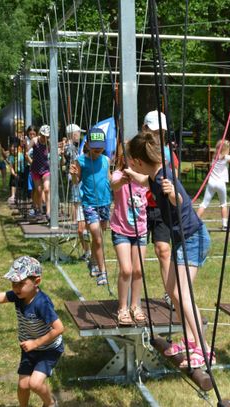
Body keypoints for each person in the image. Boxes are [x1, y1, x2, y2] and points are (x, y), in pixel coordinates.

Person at [125, 131, 213, 368]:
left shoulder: (165, 177)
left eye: (133, 162)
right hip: (183, 240)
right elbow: (145, 181)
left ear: (141, 161)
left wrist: (174, 194)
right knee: (172, 290)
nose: (133, 165)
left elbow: (178, 199)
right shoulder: (154, 175)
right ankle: (190, 338)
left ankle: (204, 349)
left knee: (184, 295)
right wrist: (129, 174)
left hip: (193, 238)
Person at [0, 256, 63, 407]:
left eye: (21, 283)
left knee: (35, 384)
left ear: (36, 282)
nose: (16, 288)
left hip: (48, 349)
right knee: (23, 385)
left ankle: (50, 403)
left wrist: (36, 343)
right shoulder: (19, 295)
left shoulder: (42, 303)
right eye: (13, 283)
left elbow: (59, 328)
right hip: (29, 348)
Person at [142, 110, 179, 307]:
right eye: (154, 131)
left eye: (161, 131)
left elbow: (175, 181)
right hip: (138, 208)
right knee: (136, 254)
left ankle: (170, 292)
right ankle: (132, 299)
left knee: (163, 250)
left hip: (160, 207)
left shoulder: (168, 154)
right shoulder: (137, 150)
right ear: (145, 129)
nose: (157, 135)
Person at [110, 145, 148, 325]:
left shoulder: (143, 177)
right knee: (126, 270)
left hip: (140, 230)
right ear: (123, 159)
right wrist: (125, 179)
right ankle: (122, 308)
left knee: (138, 270)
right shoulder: (119, 176)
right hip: (121, 230)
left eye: (136, 158)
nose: (133, 161)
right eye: (129, 158)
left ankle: (135, 305)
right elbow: (114, 184)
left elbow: (153, 182)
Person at [70, 127, 112, 286]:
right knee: (97, 235)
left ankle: (93, 261)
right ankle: (103, 272)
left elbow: (108, 178)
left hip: (105, 203)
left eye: (100, 147)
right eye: (94, 147)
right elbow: (76, 181)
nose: (97, 150)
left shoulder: (106, 160)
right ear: (87, 144)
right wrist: (74, 174)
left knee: (99, 237)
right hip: (89, 204)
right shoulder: (81, 160)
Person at [196, 140, 230, 230]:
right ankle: (225, 225)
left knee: (204, 204)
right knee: (223, 204)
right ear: (226, 149)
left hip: (211, 182)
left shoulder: (215, 156)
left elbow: (228, 159)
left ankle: (195, 221)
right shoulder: (227, 157)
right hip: (220, 183)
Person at [63, 124, 90, 261]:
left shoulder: (73, 147)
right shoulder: (71, 147)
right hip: (77, 181)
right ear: (72, 134)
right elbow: (73, 162)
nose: (80, 135)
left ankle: (90, 251)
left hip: (83, 187)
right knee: (75, 200)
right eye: (79, 133)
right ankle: (88, 251)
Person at [28, 125, 51, 219]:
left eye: (47, 136)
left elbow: (53, 152)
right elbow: (27, 151)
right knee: (38, 190)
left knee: (46, 189)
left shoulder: (48, 143)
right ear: (40, 134)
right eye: (43, 135)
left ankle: (48, 212)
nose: (44, 138)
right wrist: (30, 161)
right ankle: (39, 209)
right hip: (35, 170)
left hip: (45, 169)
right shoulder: (35, 140)